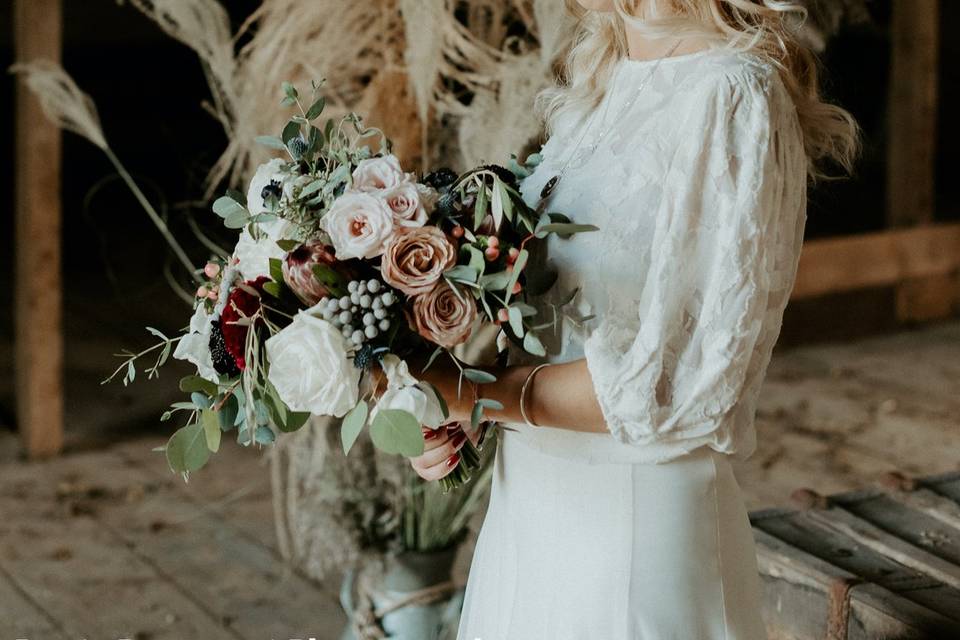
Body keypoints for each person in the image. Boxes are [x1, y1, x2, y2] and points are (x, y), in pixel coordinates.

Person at [407, 1, 858, 637]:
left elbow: (680, 385)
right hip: (528, 504)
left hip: (634, 524)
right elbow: (562, 319)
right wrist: (458, 407)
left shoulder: (731, 94)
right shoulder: (602, 84)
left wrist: (480, 396)